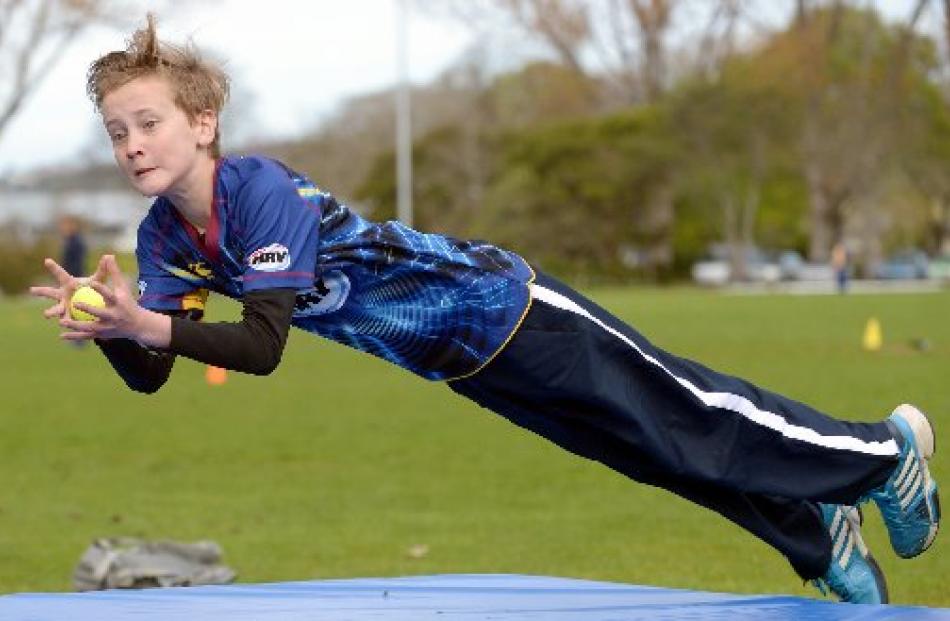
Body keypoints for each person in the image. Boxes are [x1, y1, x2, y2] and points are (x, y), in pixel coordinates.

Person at [30, 16, 939, 605]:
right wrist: (116, 330)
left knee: (685, 410)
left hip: (505, 304)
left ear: (203, 122)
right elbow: (152, 371)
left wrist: (147, 326)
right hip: (463, 364)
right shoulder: (163, 238)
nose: (132, 143)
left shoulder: (258, 190)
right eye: (117, 131)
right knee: (654, 452)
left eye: (147, 121)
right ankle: (818, 536)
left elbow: (261, 346)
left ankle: (882, 452)